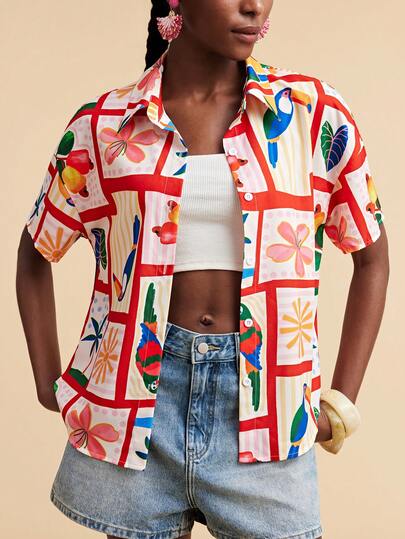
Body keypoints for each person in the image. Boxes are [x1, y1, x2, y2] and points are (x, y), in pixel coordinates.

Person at [17, 1, 389, 538]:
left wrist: (341, 402)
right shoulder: (106, 124)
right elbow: (35, 252)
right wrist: (48, 380)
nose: (254, 5)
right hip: (140, 409)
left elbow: (372, 258)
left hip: (267, 405)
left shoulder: (312, 114)